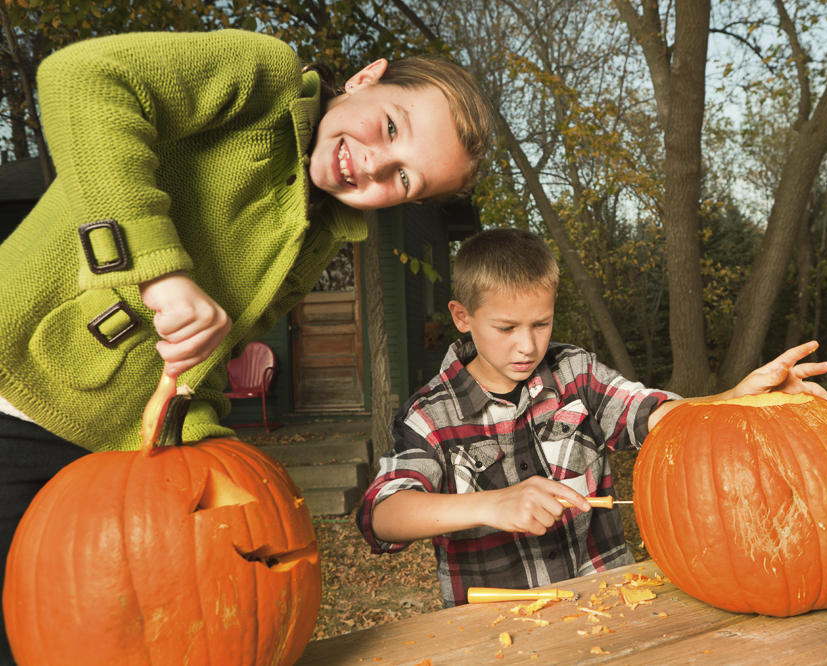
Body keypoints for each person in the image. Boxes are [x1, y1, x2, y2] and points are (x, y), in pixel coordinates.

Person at [0, 29, 495, 664]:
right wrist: (159, 270)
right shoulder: (264, 81)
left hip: (114, 444)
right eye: (392, 128)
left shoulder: (319, 237)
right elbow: (82, 79)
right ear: (367, 77)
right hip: (18, 388)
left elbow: (216, 346)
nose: (374, 165)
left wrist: (204, 430)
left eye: (403, 179)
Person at [356, 227, 827, 607]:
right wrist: (494, 504)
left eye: (540, 324)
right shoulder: (429, 414)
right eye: (506, 327)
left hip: (610, 603)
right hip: (498, 625)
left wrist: (734, 398)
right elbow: (382, 515)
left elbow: (652, 414)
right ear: (462, 317)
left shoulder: (575, 372)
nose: (527, 345)